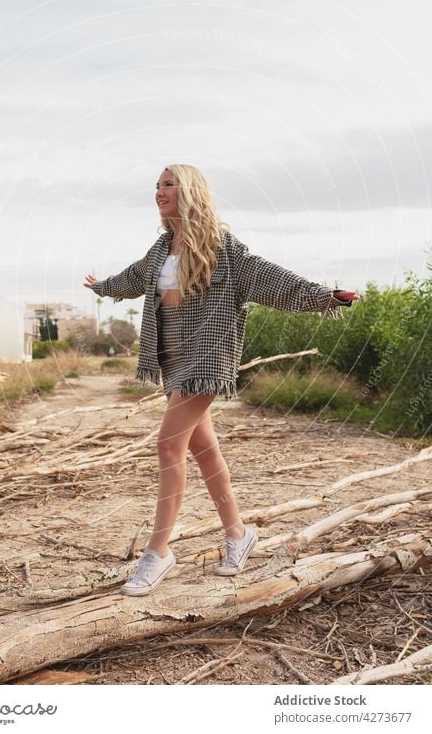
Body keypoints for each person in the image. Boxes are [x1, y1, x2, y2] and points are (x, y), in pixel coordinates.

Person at [84, 164, 359, 596]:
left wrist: (323, 296)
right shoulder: (161, 248)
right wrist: (103, 287)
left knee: (167, 445)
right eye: (156, 185)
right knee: (204, 451)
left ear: (189, 191)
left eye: (168, 184)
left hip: (206, 357)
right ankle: (238, 534)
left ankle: (158, 553)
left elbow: (268, 278)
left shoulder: (221, 247)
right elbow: (133, 279)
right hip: (172, 358)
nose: (159, 191)